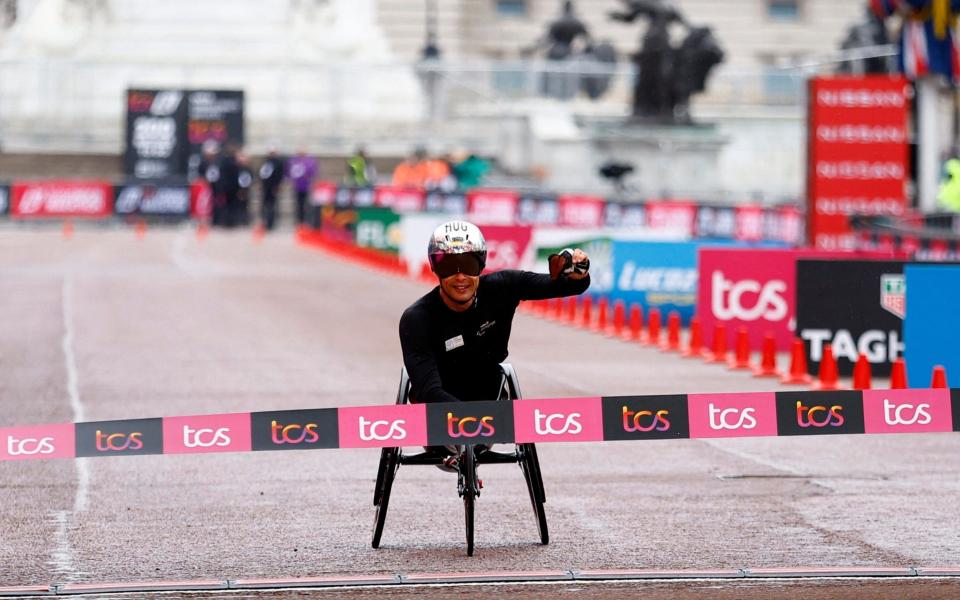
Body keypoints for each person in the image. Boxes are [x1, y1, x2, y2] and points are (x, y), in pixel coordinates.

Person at [399, 220, 590, 449]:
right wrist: (469, 420)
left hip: (488, 397)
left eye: (468, 265)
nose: (460, 277)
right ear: (435, 269)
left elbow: (562, 286)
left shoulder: (503, 287)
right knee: (427, 394)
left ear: (480, 265)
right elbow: (429, 390)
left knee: (491, 378)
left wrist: (578, 274)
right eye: (449, 267)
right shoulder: (416, 319)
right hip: (439, 409)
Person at [286, 148, 318, 225]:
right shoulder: (294, 161)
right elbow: (289, 172)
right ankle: (299, 220)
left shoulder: (309, 162)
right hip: (297, 186)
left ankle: (305, 220)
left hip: (306, 186)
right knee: (298, 204)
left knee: (306, 204)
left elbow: (313, 172)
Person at [259, 146, 285, 230]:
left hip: (273, 187)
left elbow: (279, 176)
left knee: (272, 205)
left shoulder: (278, 163)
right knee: (265, 204)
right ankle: (264, 221)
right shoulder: (266, 162)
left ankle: (271, 223)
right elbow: (263, 174)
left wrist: (278, 186)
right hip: (266, 187)